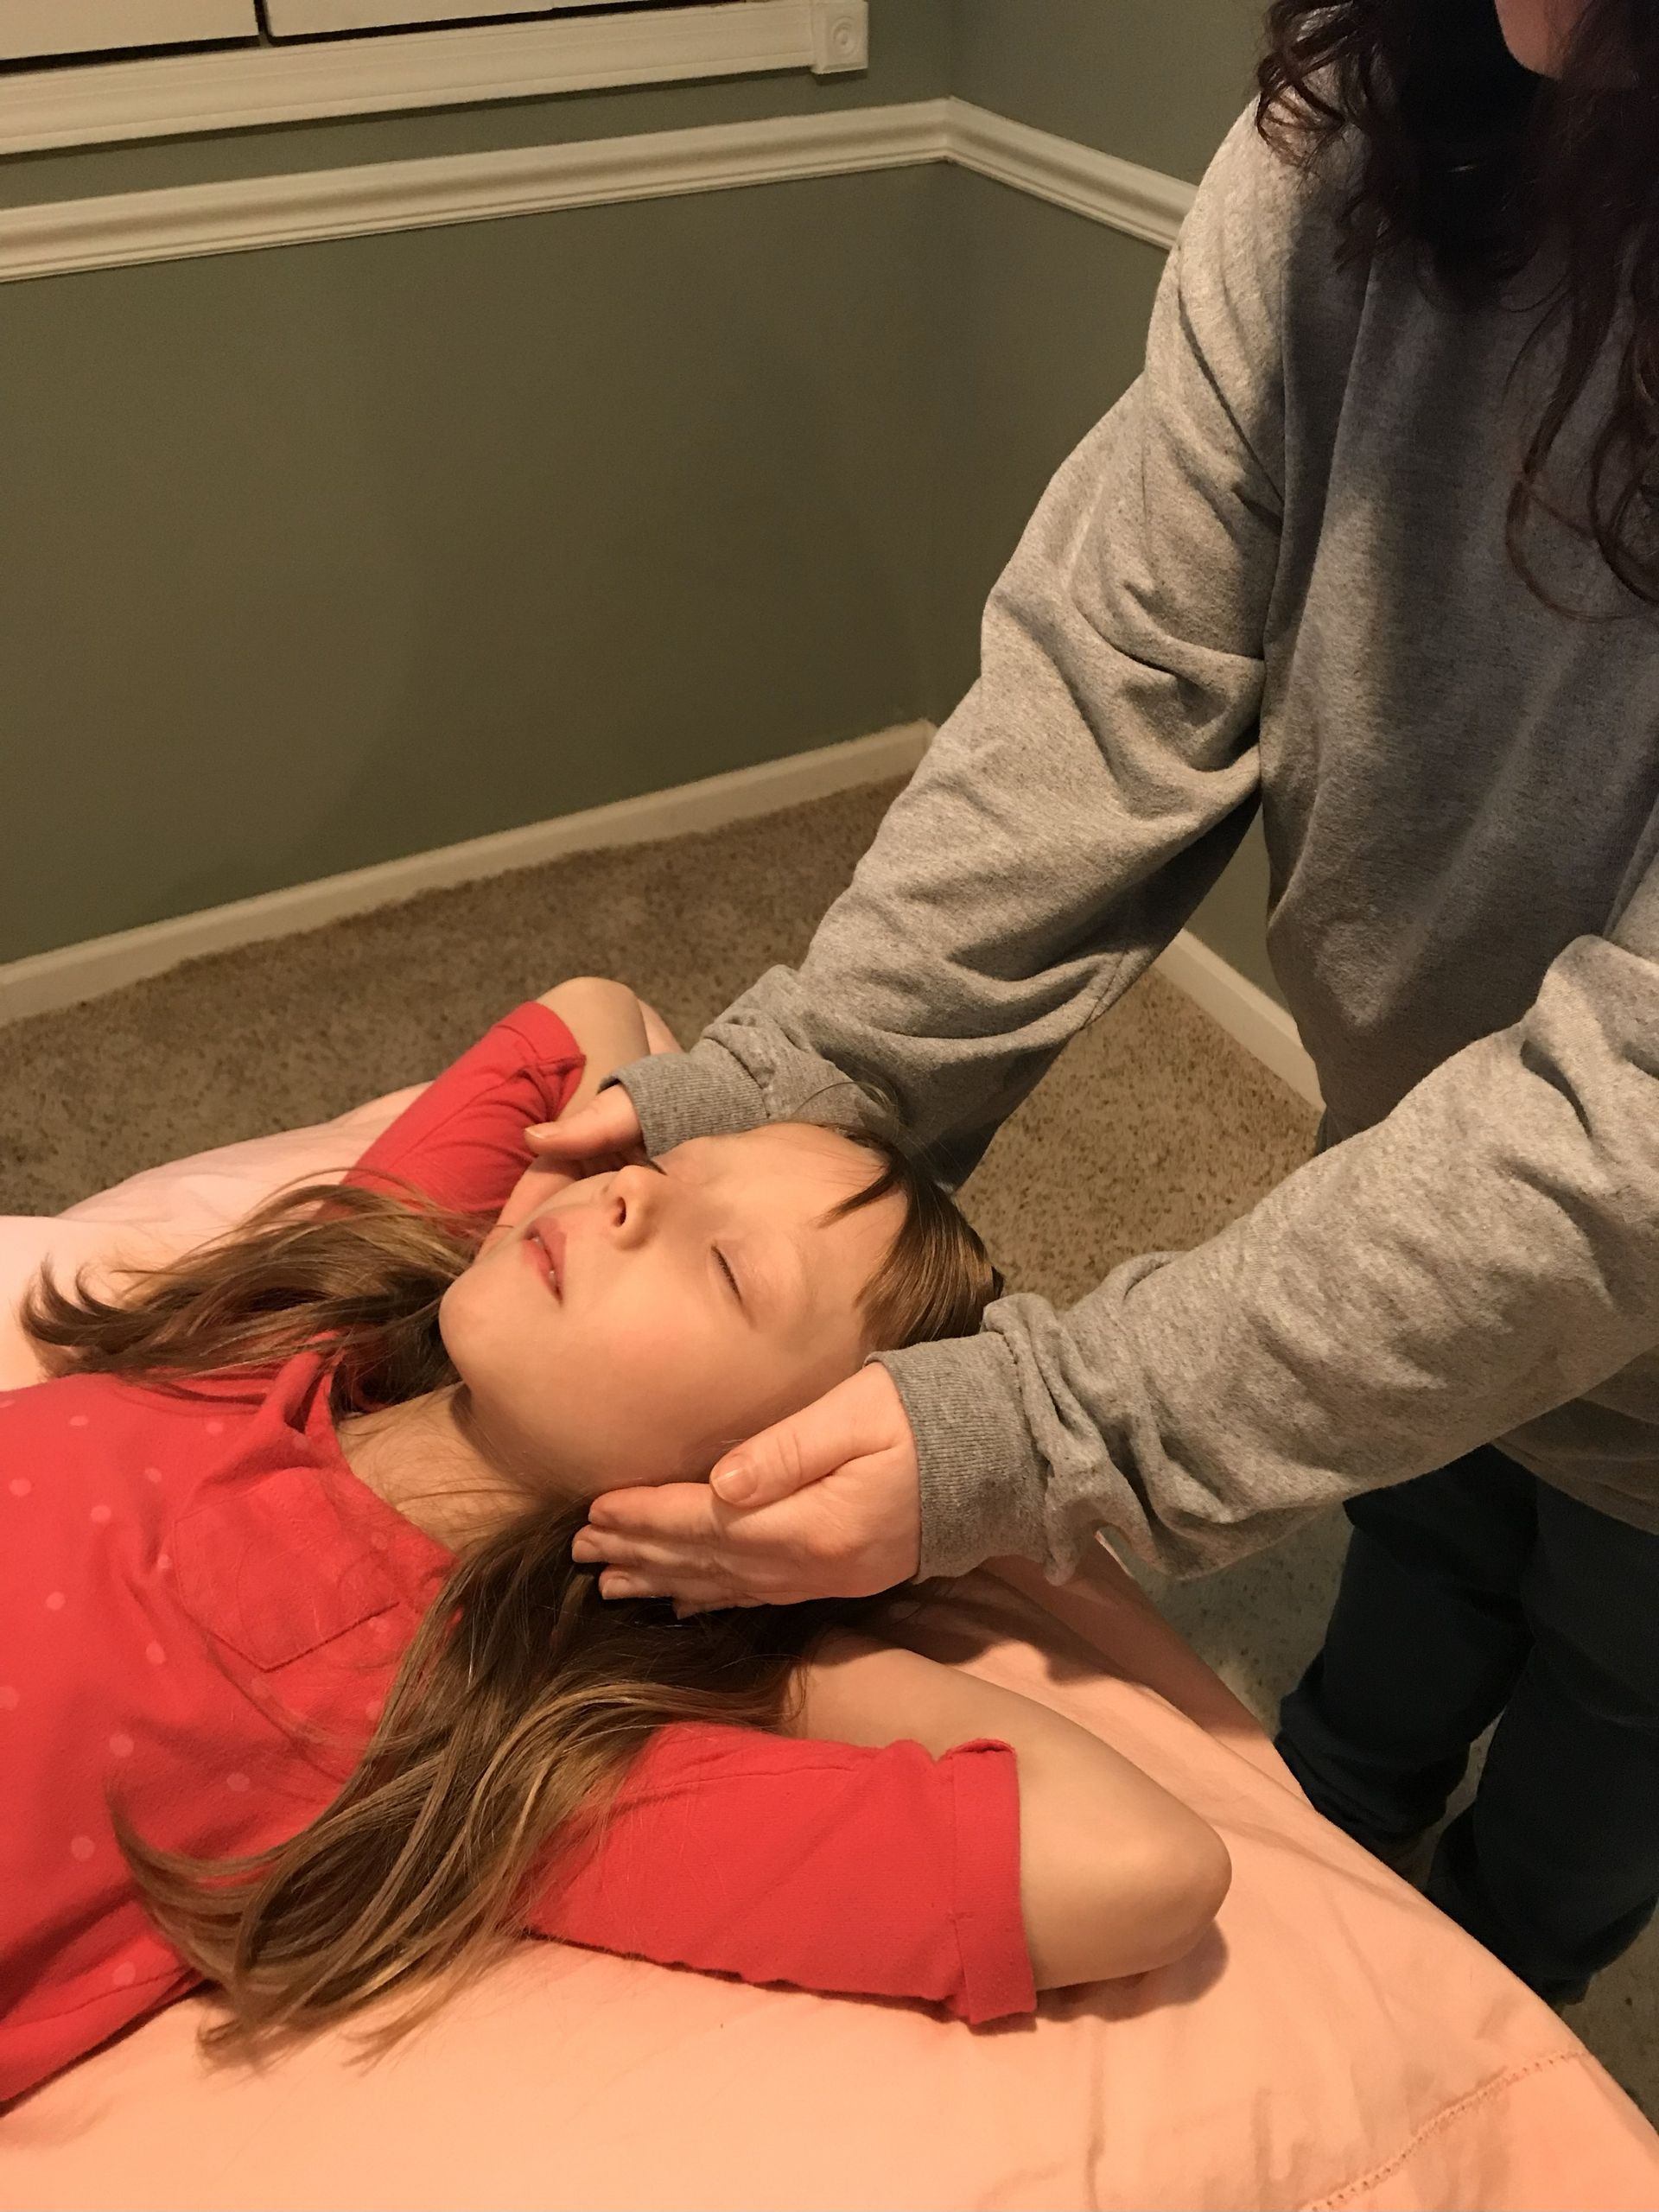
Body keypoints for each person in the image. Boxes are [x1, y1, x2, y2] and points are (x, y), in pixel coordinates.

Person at [531, 0, 1659, 2010]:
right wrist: (812, 1076)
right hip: (1400, 1148)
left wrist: (1057, 1428)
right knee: (1413, 1568)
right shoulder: (1364, 126)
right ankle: (1348, 1845)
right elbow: (1113, 681)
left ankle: (1504, 1989)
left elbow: (1619, 1132)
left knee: (1606, 1738)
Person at [0, 976, 1229, 2105]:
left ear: (784, 1472)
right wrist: (667, 1133)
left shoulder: (489, 1743)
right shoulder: (303, 1319)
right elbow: (593, 1015)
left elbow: (1138, 1866)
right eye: (675, 1165)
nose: (630, 1192)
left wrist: (761, 1605)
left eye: (729, 1272)